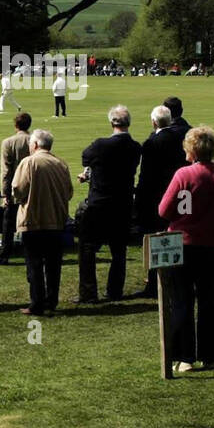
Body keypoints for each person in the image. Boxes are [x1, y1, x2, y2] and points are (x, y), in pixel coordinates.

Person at [158, 126, 214, 372]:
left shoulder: (184, 175)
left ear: (191, 150)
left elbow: (164, 210)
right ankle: (210, 354)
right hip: (213, 245)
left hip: (185, 243)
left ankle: (185, 357)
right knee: (209, 300)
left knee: (182, 300)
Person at [77, 105, 141, 304]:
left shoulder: (100, 145)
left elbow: (85, 158)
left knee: (87, 248)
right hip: (122, 204)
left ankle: (88, 292)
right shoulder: (135, 147)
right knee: (119, 250)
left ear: (112, 122)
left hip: (99, 203)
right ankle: (115, 290)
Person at [12, 128, 73, 316]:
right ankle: (51, 300)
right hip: (56, 221)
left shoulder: (29, 162)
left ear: (36, 144)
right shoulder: (60, 164)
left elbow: (18, 188)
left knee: (35, 264)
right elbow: (69, 192)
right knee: (54, 265)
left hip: (33, 221)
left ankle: (37, 302)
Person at [133, 105, 187, 297]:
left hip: (155, 195)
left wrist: (140, 196)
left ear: (153, 122)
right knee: (171, 234)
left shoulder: (151, 143)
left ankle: (154, 282)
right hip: (177, 192)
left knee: (155, 238)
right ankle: (174, 276)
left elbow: (147, 174)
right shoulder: (180, 138)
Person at [0, 113, 32, 265]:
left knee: (9, 222)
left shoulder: (8, 142)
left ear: (15, 125)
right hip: (32, 188)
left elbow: (6, 170)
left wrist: (5, 194)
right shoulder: (36, 141)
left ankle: (4, 254)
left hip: (15, 188)